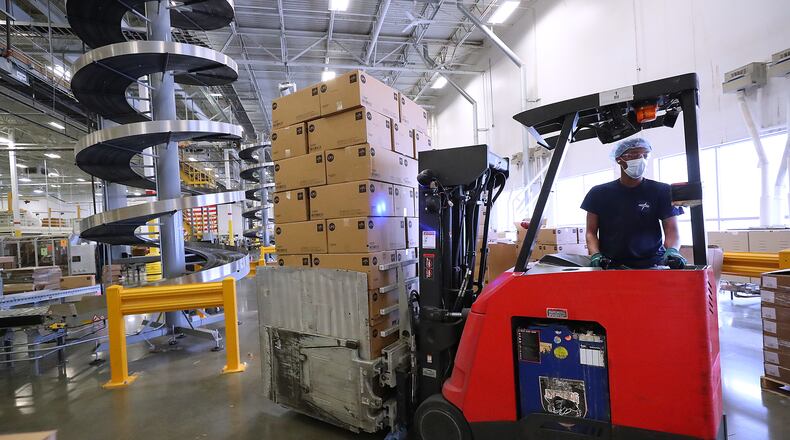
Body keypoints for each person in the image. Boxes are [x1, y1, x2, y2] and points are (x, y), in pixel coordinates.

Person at [580, 137, 687, 269]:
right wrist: (595, 254)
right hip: (610, 265)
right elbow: (591, 232)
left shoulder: (662, 191)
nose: (641, 160)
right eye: (634, 155)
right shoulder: (598, 193)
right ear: (619, 159)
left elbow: (672, 229)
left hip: (652, 265)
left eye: (645, 155)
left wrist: (672, 251)